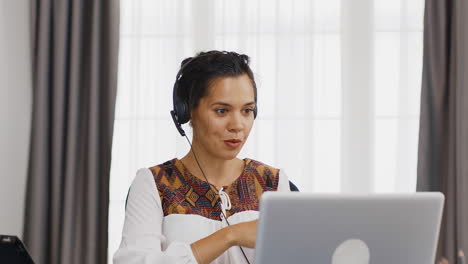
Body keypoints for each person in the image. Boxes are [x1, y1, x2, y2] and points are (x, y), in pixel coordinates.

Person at [113, 50, 291, 264]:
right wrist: (229, 236)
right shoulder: (154, 183)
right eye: (222, 111)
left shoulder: (273, 182)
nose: (237, 125)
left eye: (247, 110)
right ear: (187, 111)